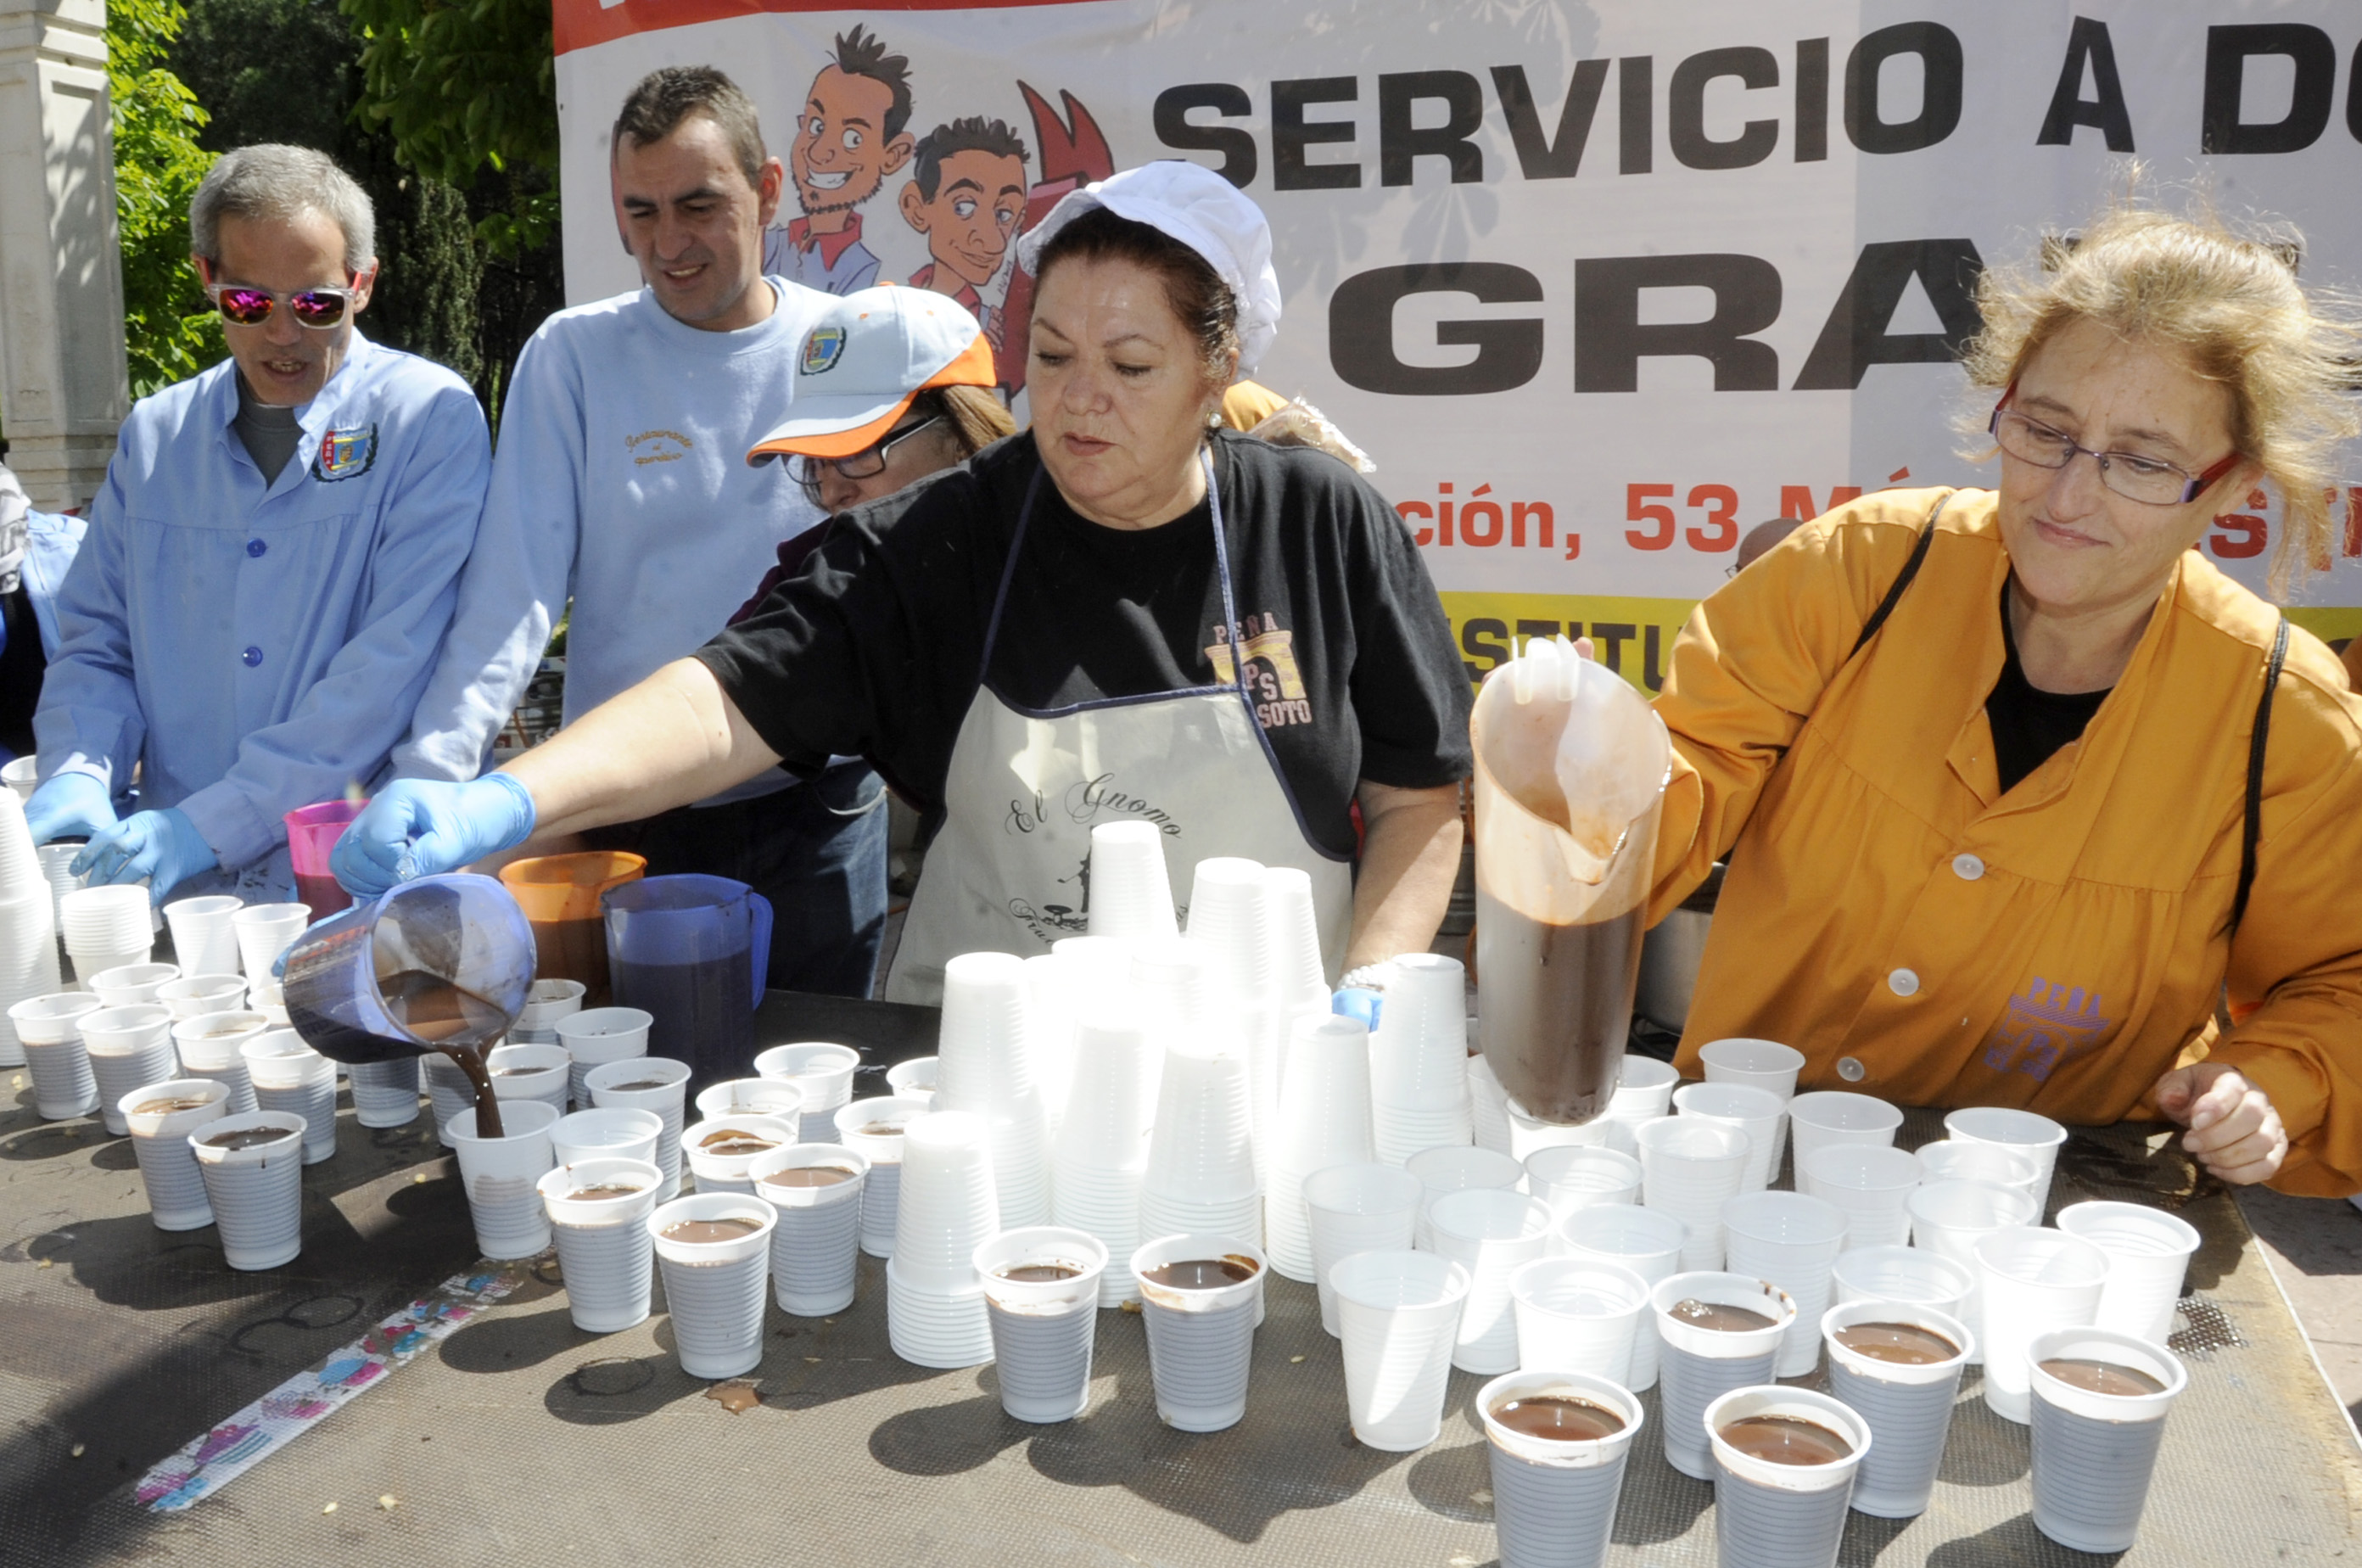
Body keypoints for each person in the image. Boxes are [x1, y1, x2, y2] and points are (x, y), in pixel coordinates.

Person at [339, 160, 1474, 1007]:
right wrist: (506, 801)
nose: (1080, 401)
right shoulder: (948, 536)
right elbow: (726, 697)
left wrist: (1371, 991)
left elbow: (1422, 799)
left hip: (1267, 1054)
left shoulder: (1322, 522)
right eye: (1058, 356)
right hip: (984, 1061)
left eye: (1130, 367)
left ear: (1219, 365)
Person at [1646, 203, 2362, 1196]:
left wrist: (2275, 1082)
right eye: (2046, 430)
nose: (2067, 497)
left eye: (2145, 461)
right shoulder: (1856, 572)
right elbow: (1675, 784)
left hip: (2054, 1216)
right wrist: (1578, 781)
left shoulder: (2282, 717)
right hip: (1754, 1170)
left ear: (2231, 487)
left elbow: (2341, 979)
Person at [390, 66, 893, 998]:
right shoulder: (572, 356)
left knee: (821, 1078)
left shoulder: (847, 344)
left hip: (818, 805)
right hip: (632, 818)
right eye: (642, 212)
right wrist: (436, 774)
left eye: (698, 206)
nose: (669, 243)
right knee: (639, 1091)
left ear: (769, 188)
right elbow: (514, 595)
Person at [24, 145, 488, 902]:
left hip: (352, 883)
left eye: (315, 304)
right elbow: (97, 646)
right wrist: (78, 767)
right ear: (209, 279)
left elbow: (391, 668)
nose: (282, 333)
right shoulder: (154, 438)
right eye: (248, 303)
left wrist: (209, 824)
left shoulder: (426, 418)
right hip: (181, 898)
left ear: (362, 285)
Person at [730, 284, 1016, 619]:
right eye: (817, 461)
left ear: (963, 440)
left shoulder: (1051, 559)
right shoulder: (802, 579)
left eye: (857, 452)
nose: (830, 494)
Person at [762, 26, 915, 295]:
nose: (820, 153)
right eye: (816, 126)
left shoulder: (874, 273)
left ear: (893, 155)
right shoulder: (766, 242)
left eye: (853, 139)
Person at [898, 116, 1028, 344]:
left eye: (1004, 214)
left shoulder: (988, 327)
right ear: (917, 208)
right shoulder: (895, 300)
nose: (993, 242)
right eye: (964, 207)